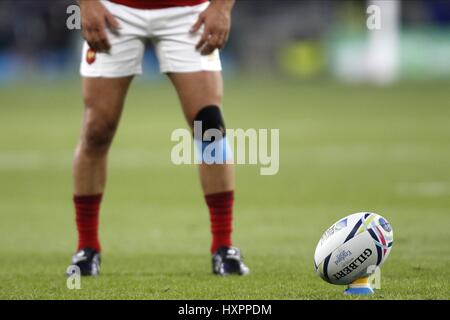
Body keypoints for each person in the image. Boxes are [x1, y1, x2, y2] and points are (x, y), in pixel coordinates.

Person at [68, 0, 249, 277]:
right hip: (115, 8)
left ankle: (224, 247)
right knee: (96, 130)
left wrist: (222, 7)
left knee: (210, 127)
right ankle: (87, 247)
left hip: (187, 11)